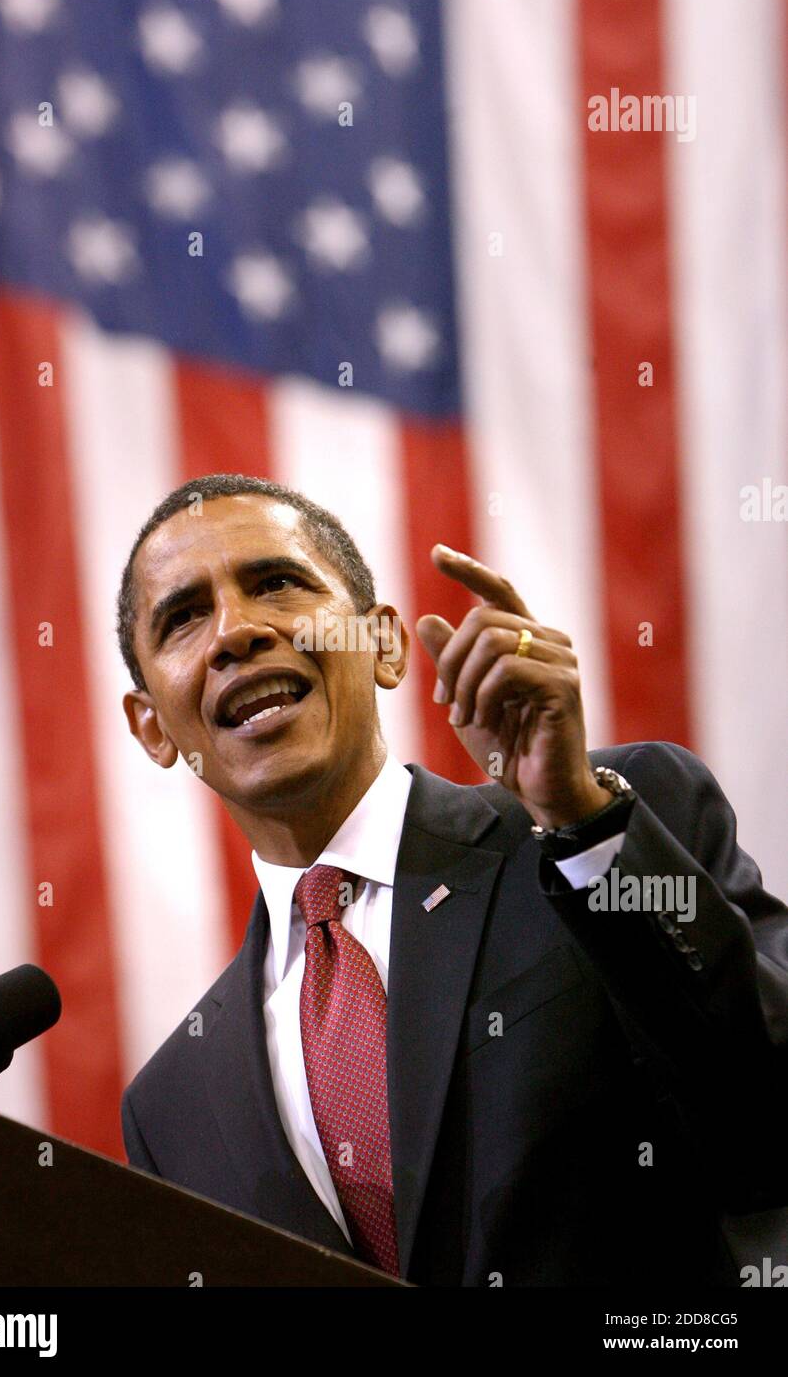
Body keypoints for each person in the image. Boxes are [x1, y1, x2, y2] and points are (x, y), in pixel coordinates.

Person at [117, 472, 788, 1286]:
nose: (236, 631)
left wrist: (578, 819)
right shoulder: (173, 1105)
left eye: (278, 584)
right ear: (152, 727)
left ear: (387, 645)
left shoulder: (609, 825)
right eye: (184, 618)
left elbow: (767, 1116)